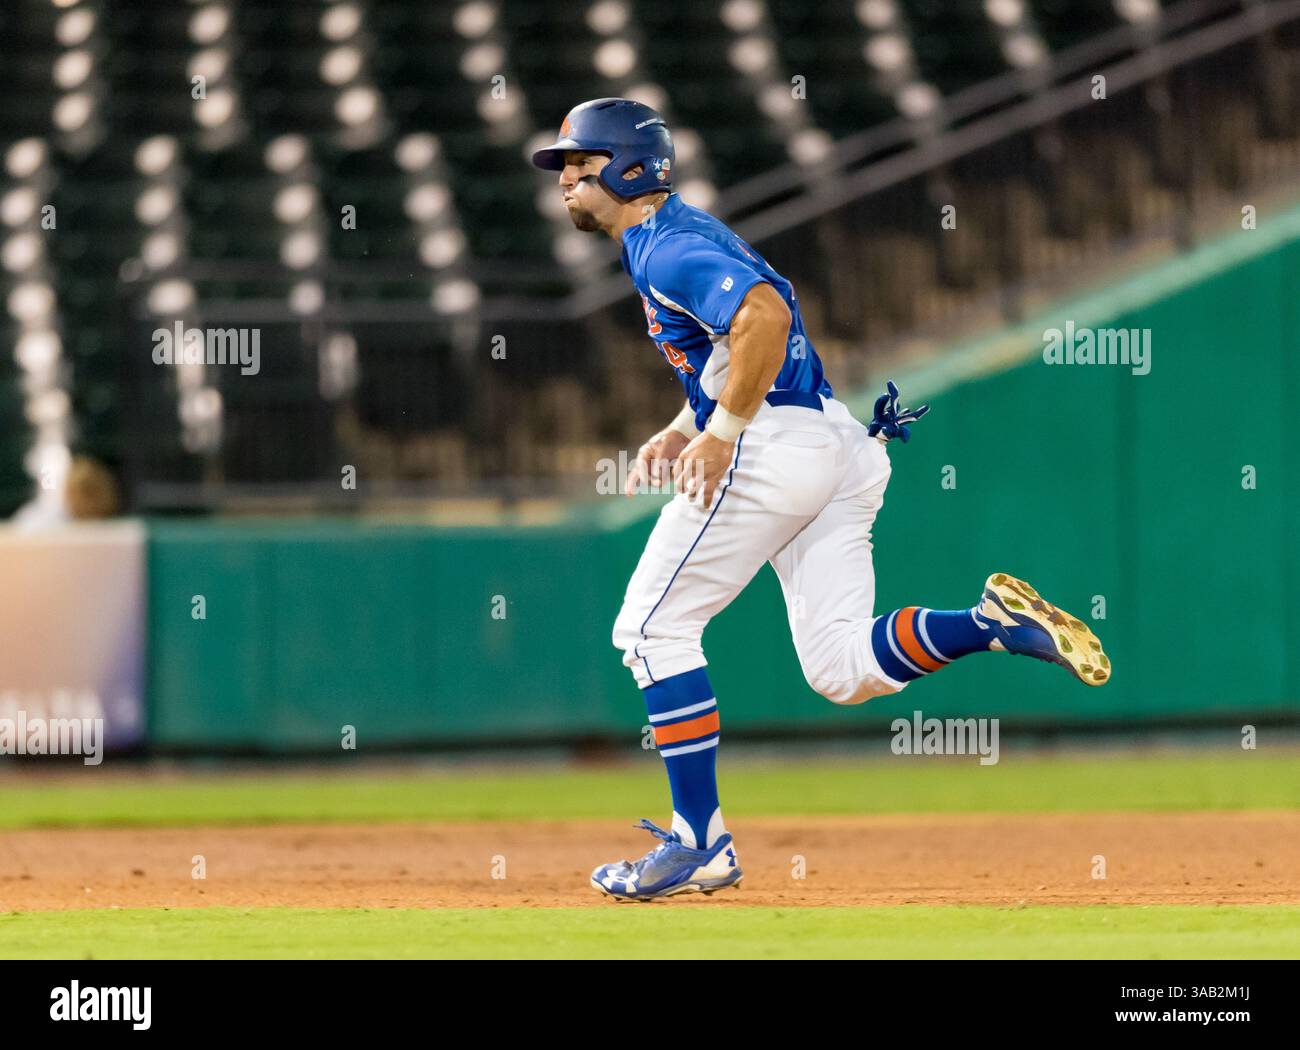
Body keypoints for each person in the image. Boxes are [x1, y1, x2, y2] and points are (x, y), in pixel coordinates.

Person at [532, 98, 1110, 901]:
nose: (563, 178)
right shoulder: (673, 236)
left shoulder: (665, 248)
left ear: (630, 167)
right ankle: (988, 626)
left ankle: (700, 841)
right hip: (834, 445)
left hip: (773, 451)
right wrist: (684, 424)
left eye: (578, 162)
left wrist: (722, 431)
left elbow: (764, 315)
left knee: (651, 630)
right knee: (841, 670)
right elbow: (745, 330)